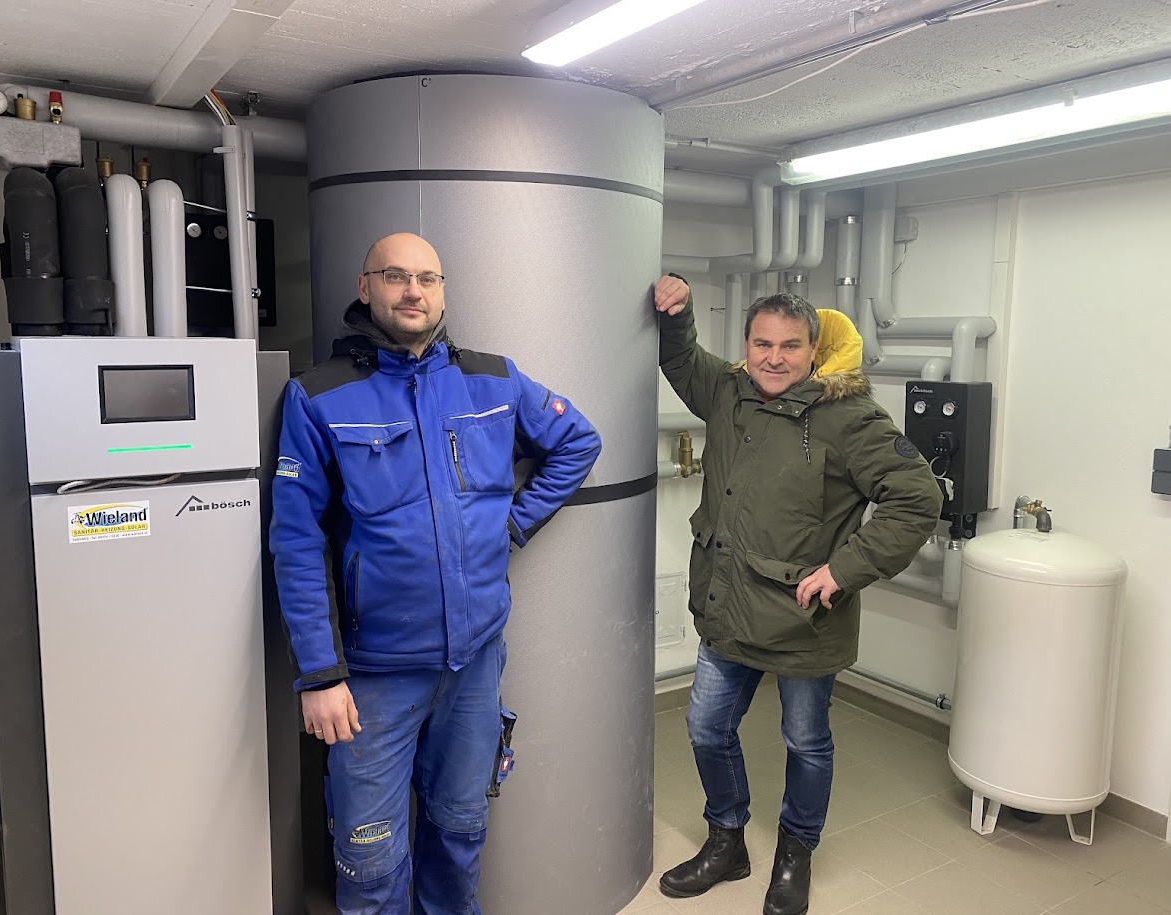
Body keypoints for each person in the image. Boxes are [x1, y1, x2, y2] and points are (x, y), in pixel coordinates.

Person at [269, 233, 601, 914]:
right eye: (395, 276)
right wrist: (320, 676)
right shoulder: (319, 395)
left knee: (459, 831)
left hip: (474, 663)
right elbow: (296, 542)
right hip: (372, 677)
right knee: (369, 859)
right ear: (366, 287)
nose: (412, 291)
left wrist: (512, 524)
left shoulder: (493, 379)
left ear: (443, 290)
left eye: (427, 278)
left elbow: (578, 440)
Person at [651, 275, 942, 915]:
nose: (775, 358)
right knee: (706, 728)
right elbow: (681, 357)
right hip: (729, 606)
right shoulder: (728, 391)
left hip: (805, 618)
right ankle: (727, 841)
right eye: (762, 343)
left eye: (790, 345)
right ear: (746, 345)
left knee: (805, 742)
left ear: (814, 350)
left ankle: (794, 854)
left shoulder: (850, 418)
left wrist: (845, 569)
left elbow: (918, 497)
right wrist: (678, 310)